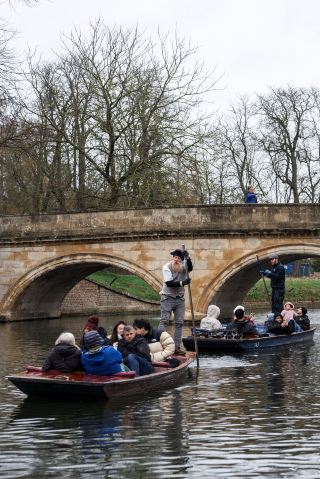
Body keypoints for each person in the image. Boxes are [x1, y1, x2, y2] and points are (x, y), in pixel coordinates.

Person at [159, 248, 193, 354]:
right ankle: (160, 345)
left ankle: (176, 347)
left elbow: (190, 267)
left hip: (179, 299)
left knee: (179, 323)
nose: (176, 260)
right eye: (175, 257)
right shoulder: (167, 267)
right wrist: (183, 283)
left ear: (181, 260)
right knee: (164, 321)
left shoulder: (183, 267)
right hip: (167, 297)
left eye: (178, 258)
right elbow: (169, 283)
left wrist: (188, 258)